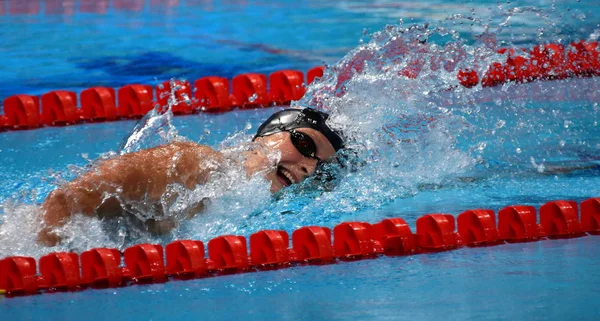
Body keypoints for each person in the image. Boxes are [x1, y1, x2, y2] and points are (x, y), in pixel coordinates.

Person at [38, 107, 345, 246]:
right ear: (267, 134)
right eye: (304, 144)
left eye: (318, 166)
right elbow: (66, 199)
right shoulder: (191, 163)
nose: (307, 166)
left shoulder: (244, 203)